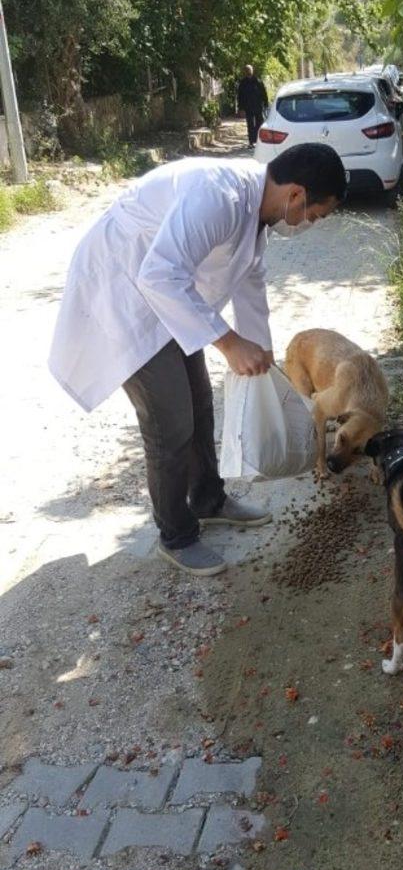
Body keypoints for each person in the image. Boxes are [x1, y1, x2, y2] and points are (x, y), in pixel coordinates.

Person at [49, 143, 347, 577]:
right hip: (125, 294)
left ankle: (209, 500)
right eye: (316, 215)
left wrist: (259, 349)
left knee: (200, 402)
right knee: (170, 420)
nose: (310, 224)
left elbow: (251, 281)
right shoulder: (219, 197)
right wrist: (228, 343)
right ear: (297, 195)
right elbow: (157, 275)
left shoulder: (257, 210)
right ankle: (176, 536)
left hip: (165, 298)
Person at [237, 64, 268, 146]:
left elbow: (264, 93)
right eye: (247, 70)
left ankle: (257, 140)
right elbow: (240, 96)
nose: (248, 72)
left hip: (258, 106)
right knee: (250, 125)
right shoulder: (243, 83)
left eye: (249, 70)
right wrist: (240, 108)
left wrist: (266, 103)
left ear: (252, 71)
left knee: (259, 123)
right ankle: (251, 141)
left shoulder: (258, 81)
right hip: (248, 107)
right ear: (245, 72)